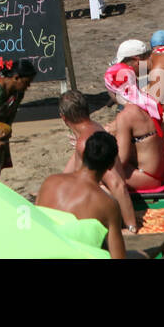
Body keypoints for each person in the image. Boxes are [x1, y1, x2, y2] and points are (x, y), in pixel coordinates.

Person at [56, 89, 138, 233]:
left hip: (106, 205)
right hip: (104, 201)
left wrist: (131, 226)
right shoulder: (90, 131)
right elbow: (66, 175)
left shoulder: (87, 141)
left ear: (63, 118)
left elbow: (117, 183)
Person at [35, 132, 126, 258]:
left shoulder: (49, 182)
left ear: (83, 155)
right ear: (111, 165)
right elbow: (118, 256)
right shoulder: (108, 205)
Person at [104, 62, 164, 189]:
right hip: (158, 173)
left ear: (113, 91)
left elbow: (121, 160)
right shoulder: (147, 103)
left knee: (96, 172)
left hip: (147, 178)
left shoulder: (126, 116)